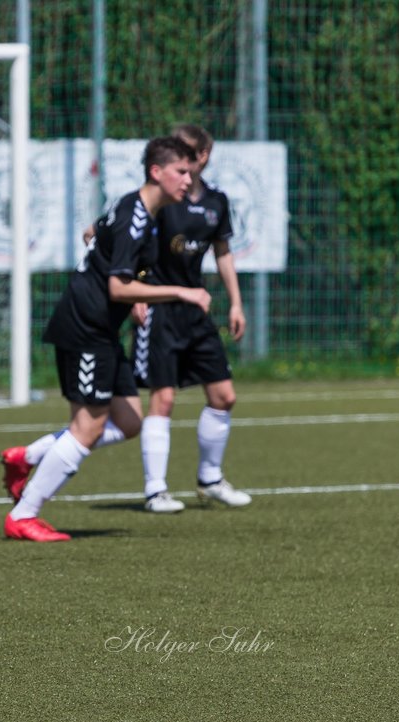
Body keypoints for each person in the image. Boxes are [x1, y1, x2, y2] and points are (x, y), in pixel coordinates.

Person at [3, 136, 208, 542]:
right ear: (157, 172)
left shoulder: (137, 207)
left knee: (130, 421)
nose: (189, 179)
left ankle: (26, 458)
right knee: (88, 428)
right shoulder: (137, 216)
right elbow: (117, 286)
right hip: (86, 328)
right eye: (182, 171)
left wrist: (127, 283)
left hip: (102, 329)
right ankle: (23, 515)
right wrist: (180, 291)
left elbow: (93, 233)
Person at [133, 124, 252, 512]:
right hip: (160, 309)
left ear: (202, 157)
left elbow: (222, 252)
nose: (181, 163)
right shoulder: (159, 201)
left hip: (196, 309)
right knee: (163, 399)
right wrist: (135, 291)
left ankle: (210, 478)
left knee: (224, 395)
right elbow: (130, 247)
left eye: (188, 154)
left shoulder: (216, 201)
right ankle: (155, 490)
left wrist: (235, 302)